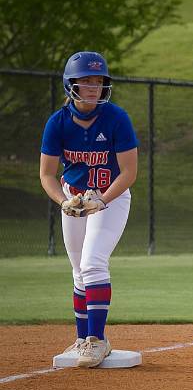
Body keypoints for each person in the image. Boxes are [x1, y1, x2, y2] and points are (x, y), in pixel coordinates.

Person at [39, 51, 138, 368]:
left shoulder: (116, 118)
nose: (94, 87)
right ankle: (83, 339)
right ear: (71, 84)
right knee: (78, 270)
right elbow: (46, 175)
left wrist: (103, 200)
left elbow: (129, 172)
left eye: (98, 81)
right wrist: (64, 201)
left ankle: (97, 340)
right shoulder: (58, 123)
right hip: (74, 199)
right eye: (86, 80)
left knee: (94, 262)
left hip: (110, 198)